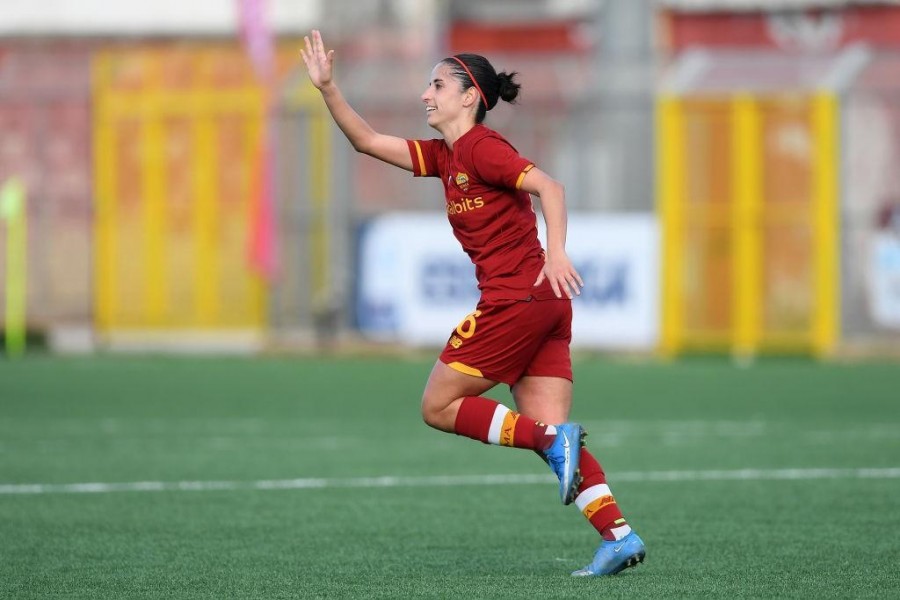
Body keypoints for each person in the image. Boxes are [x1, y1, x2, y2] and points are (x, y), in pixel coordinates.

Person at [301, 29, 645, 577]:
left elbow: (550, 188)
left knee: (437, 406)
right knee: (550, 437)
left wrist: (556, 252)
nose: (425, 95)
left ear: (469, 97)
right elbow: (366, 141)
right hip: (545, 307)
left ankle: (557, 446)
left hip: (519, 300)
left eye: (436, 84)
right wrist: (328, 89)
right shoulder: (445, 157)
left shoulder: (483, 147)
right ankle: (619, 536)